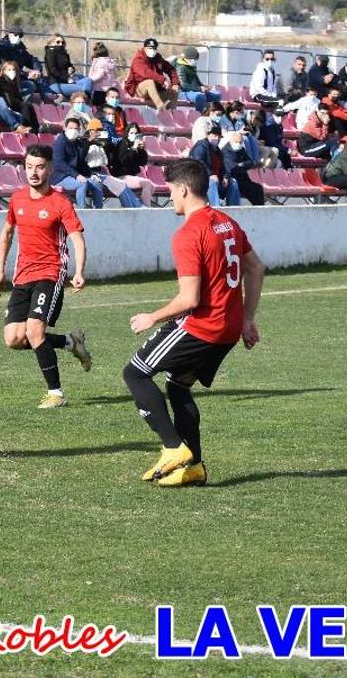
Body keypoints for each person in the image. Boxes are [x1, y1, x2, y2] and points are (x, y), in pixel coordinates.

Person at [121, 158, 264, 487]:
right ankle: (194, 467)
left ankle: (173, 448)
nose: (169, 196)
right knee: (178, 385)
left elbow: (189, 300)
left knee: (136, 372)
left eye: (170, 190)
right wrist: (247, 319)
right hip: (227, 328)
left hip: (204, 326)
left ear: (183, 190)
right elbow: (256, 268)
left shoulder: (188, 234)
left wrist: (151, 317)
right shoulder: (226, 223)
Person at [0, 145, 92, 409]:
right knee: (14, 339)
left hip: (51, 272)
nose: (34, 173)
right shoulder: (17, 200)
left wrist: (79, 271)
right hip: (23, 275)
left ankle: (56, 394)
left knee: (35, 331)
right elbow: (7, 233)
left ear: (50, 168)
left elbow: (77, 238)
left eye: (39, 167)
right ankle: (71, 342)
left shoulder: (60, 203)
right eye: (29, 167)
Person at [52, 115, 105, 209]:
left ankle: (99, 211)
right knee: (82, 184)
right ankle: (83, 211)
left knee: (96, 182)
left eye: (76, 128)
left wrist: (90, 173)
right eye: (70, 128)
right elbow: (59, 163)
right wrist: (76, 175)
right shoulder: (60, 143)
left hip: (74, 175)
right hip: (61, 177)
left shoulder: (76, 142)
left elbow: (81, 161)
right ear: (65, 128)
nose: (73, 130)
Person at [188, 125, 240, 207]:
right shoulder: (201, 145)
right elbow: (198, 161)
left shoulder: (217, 150)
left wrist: (225, 176)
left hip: (217, 181)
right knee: (212, 181)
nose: (217, 138)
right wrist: (210, 174)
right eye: (214, 135)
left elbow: (223, 167)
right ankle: (216, 209)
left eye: (219, 136)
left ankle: (234, 209)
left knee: (233, 182)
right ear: (208, 135)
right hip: (200, 181)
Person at [125, 38, 178, 109]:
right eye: (149, 48)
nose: (152, 50)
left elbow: (170, 69)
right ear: (144, 48)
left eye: (154, 48)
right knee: (149, 82)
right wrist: (163, 80)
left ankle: (172, 113)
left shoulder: (158, 58)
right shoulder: (138, 59)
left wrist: (175, 83)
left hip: (156, 91)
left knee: (174, 91)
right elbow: (147, 73)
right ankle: (160, 106)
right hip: (139, 91)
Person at [43, 34, 92, 99]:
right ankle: (86, 101)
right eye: (58, 42)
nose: (60, 44)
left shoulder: (64, 53)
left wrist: (71, 68)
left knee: (88, 80)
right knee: (83, 88)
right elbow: (53, 70)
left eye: (62, 42)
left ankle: (84, 99)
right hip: (56, 84)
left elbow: (69, 65)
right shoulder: (50, 53)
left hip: (68, 80)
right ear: (51, 43)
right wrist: (67, 78)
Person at [175, 46, 220, 111]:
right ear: (187, 58)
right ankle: (199, 114)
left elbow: (196, 80)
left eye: (196, 59)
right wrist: (199, 88)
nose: (195, 61)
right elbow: (184, 85)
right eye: (194, 59)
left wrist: (204, 86)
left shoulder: (191, 66)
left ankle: (212, 113)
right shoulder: (180, 68)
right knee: (200, 96)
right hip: (183, 92)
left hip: (193, 91)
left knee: (217, 94)